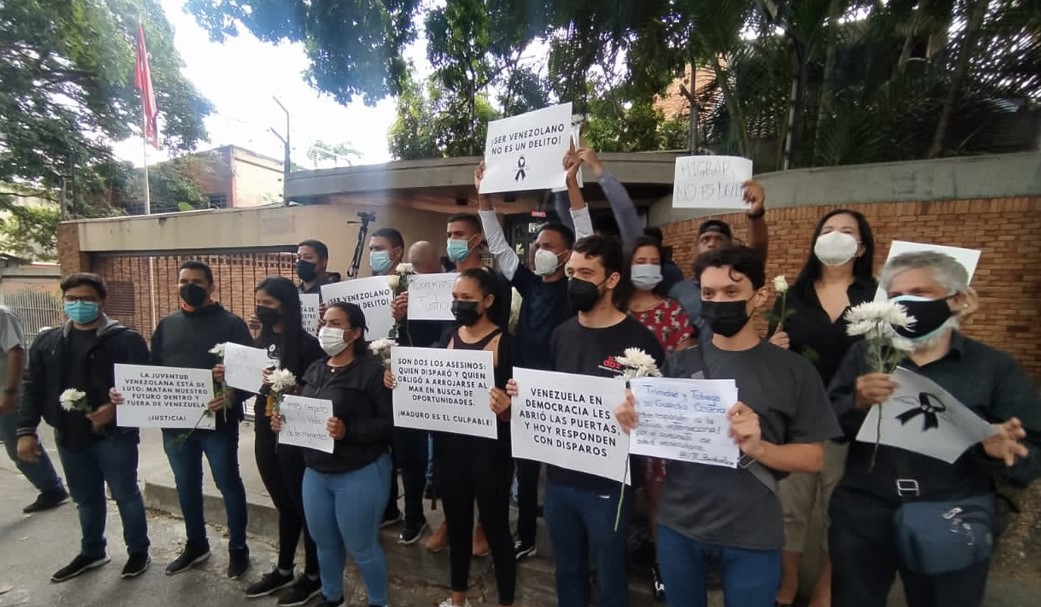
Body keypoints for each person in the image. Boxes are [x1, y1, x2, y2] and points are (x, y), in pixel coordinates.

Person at [615, 245, 840, 607]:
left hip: (752, 532)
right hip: (679, 525)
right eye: (709, 293)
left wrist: (760, 447)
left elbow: (813, 458)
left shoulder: (795, 372)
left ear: (760, 296)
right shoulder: (679, 364)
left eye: (731, 292)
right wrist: (633, 422)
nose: (719, 301)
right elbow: (659, 442)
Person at [828, 251, 1041, 607]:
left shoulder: (993, 368)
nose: (905, 304)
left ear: (955, 300)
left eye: (919, 293)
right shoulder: (867, 356)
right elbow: (830, 425)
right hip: (864, 513)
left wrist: (998, 452)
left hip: (951, 514)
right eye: (896, 297)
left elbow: (1028, 455)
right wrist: (856, 403)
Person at [510, 234, 664, 607]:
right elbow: (552, 393)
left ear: (611, 280)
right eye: (571, 271)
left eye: (585, 272)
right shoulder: (561, 334)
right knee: (568, 572)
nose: (574, 280)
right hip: (560, 479)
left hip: (610, 487)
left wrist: (639, 415)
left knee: (611, 575)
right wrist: (522, 394)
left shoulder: (641, 342)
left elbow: (658, 419)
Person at [477, 153, 594, 561]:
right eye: (537, 244)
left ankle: (574, 541)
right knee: (524, 469)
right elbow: (497, 244)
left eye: (549, 246)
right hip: (523, 387)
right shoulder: (526, 280)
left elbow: (585, 233)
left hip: (562, 388)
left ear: (567, 255)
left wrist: (571, 182)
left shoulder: (576, 287)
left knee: (564, 470)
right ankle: (525, 536)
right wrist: (484, 196)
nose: (539, 250)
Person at [386, 269, 517, 607]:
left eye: (467, 299)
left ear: (488, 301)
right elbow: (424, 375)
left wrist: (509, 406)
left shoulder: (508, 343)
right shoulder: (447, 334)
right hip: (450, 450)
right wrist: (398, 378)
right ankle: (457, 600)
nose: (459, 305)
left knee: (497, 531)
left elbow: (523, 406)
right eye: (456, 299)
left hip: (491, 454)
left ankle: (506, 602)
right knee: (458, 527)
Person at [765, 209, 876, 607]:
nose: (836, 237)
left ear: (861, 246)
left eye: (847, 232)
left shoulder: (877, 298)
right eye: (828, 230)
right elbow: (770, 350)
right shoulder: (792, 297)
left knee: (839, 510)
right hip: (798, 421)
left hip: (852, 421)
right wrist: (772, 349)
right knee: (791, 509)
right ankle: (788, 582)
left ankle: (826, 589)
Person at [17, 273, 152, 582]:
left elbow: (145, 386)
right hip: (69, 435)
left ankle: (138, 551)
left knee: (125, 494)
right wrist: (26, 430)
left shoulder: (125, 339)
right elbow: (33, 386)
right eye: (71, 299)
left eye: (87, 299)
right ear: (64, 301)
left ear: (102, 302)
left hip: (115, 437)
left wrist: (115, 410)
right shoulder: (48, 342)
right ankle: (92, 551)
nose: (79, 305)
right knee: (85, 497)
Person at [272, 302, 393, 607]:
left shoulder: (372, 372)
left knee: (362, 546)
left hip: (359, 471)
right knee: (324, 542)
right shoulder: (315, 368)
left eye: (335, 323)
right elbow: (303, 409)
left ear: (354, 333)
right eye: (324, 321)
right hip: (315, 471)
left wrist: (348, 431)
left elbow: (390, 424)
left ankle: (378, 602)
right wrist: (283, 419)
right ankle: (331, 595)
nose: (325, 329)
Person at [150, 260, 254, 578]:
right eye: (184, 280)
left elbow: (251, 375)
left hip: (218, 424)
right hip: (176, 424)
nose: (189, 285)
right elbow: (153, 371)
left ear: (211, 286)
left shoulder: (232, 324)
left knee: (228, 484)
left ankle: (238, 548)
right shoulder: (166, 325)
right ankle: (196, 544)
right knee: (186, 485)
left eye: (197, 281)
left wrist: (233, 395)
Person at [243, 277, 327, 605]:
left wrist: (297, 392)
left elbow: (320, 392)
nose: (262, 309)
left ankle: (314, 574)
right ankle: (283, 568)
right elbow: (249, 383)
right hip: (266, 430)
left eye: (269, 303)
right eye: (258, 302)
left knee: (304, 506)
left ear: (286, 305)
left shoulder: (307, 345)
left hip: (297, 436)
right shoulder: (259, 341)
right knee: (283, 504)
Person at [625, 234, 695, 601]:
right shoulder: (614, 308)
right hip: (618, 417)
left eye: (653, 261)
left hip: (660, 416)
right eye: (640, 260)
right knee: (616, 495)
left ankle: (662, 563)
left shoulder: (672, 310)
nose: (647, 267)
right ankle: (610, 559)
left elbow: (685, 362)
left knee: (658, 498)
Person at [666, 183, 768, 340]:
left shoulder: (740, 277)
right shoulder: (678, 291)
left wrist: (755, 214)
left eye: (719, 239)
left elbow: (757, 252)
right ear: (696, 247)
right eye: (705, 239)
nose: (711, 244)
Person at [0, 306, 68, 514]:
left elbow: (16, 352)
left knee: (18, 444)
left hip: (6, 394)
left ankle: (52, 488)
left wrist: (10, 392)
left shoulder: (3, 315)